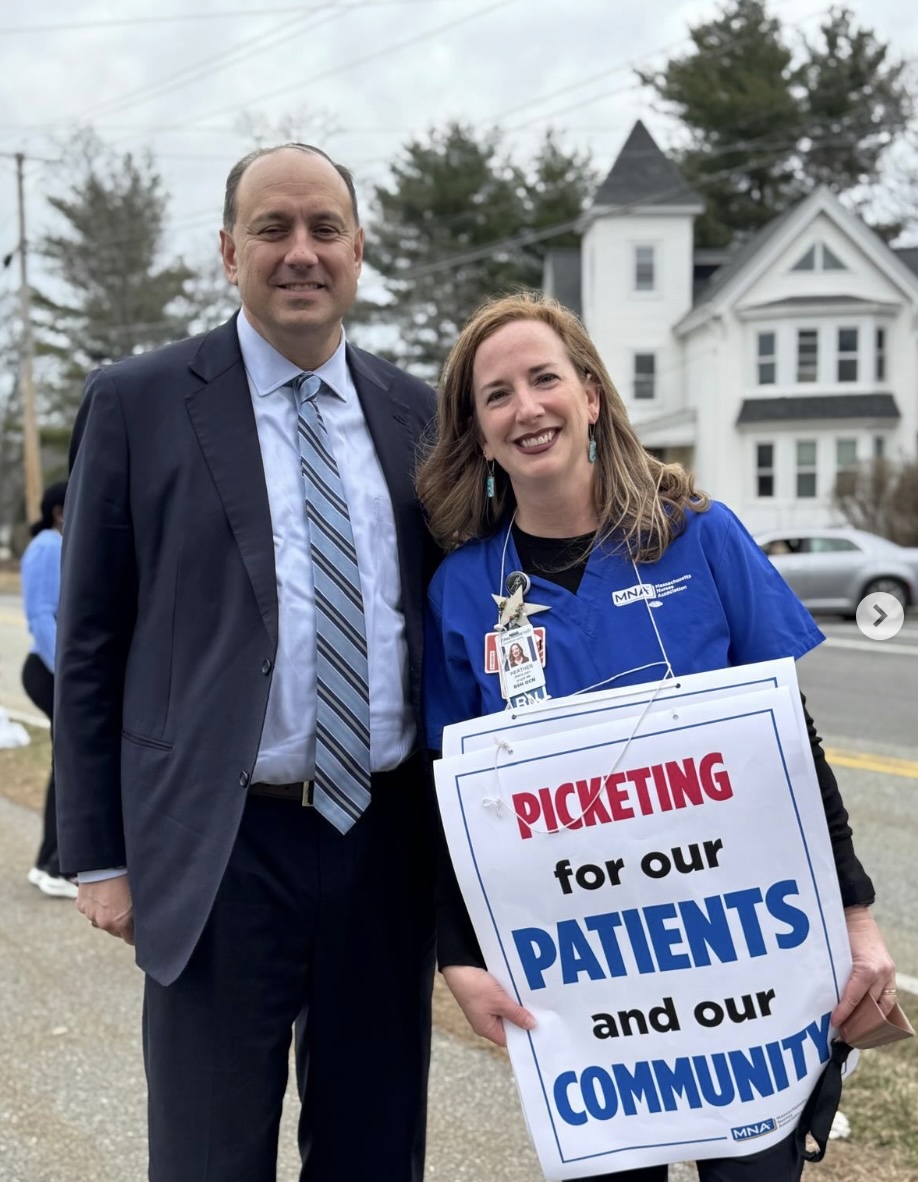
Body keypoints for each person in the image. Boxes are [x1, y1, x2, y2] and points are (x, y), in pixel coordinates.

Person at [418, 292, 897, 1182]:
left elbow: (792, 745)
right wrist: (461, 956)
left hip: (737, 978)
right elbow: (454, 798)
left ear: (592, 396)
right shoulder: (461, 593)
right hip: (584, 994)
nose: (527, 407)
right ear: (478, 435)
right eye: (496, 395)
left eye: (545, 378)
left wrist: (856, 918)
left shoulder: (700, 537)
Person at [54, 144, 440, 1182]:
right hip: (220, 845)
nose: (301, 252)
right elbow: (89, 641)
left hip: (383, 843)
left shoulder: (420, 415)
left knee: (374, 1151)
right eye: (273, 229)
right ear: (230, 252)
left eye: (324, 230)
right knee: (209, 1156)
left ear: (360, 251)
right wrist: (97, 852)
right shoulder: (136, 402)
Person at [20, 480, 75, 899]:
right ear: (59, 511)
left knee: (67, 768)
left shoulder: (56, 544)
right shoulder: (48, 546)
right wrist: (70, 675)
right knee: (71, 768)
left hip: (54, 671)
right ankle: (55, 867)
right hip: (50, 671)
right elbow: (41, 617)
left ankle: (48, 864)